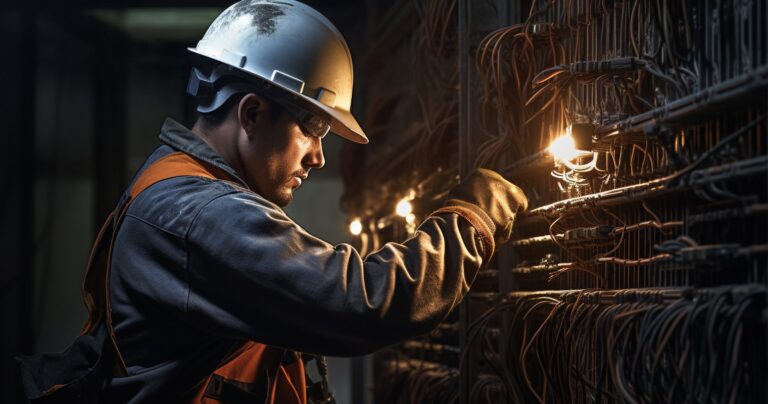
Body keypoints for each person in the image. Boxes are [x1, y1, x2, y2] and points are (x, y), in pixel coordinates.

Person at [18, 1, 527, 403]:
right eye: (312, 129)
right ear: (253, 113)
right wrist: (471, 215)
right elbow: (361, 303)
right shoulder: (197, 213)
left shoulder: (176, 190)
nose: (319, 158)